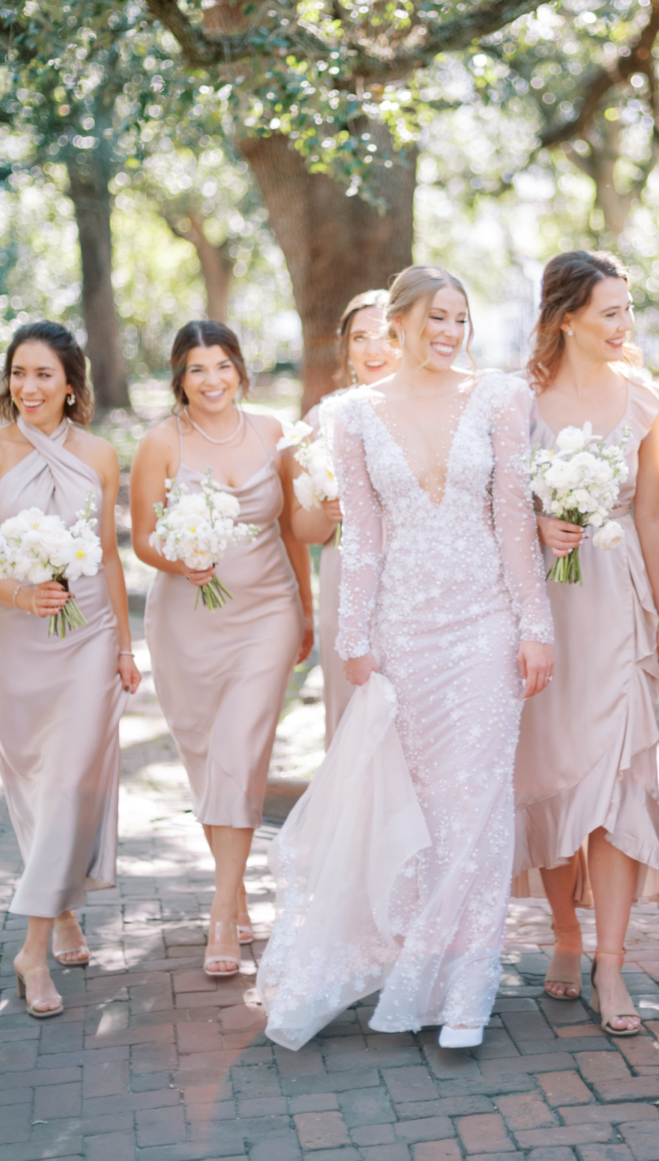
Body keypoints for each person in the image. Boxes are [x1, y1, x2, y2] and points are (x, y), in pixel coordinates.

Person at [257, 265, 554, 1051]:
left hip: (486, 623)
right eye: (436, 318)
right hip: (401, 633)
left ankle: (467, 988)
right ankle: (416, 971)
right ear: (399, 323)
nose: (450, 332)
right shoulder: (351, 415)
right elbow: (363, 538)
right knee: (419, 805)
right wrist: (352, 637)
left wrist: (536, 627)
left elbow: (515, 522)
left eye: (460, 317)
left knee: (479, 804)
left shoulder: (500, 398)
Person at [512, 251, 659, 1036]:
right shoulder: (517, 400)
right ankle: (566, 935)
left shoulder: (646, 399)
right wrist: (534, 522)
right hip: (541, 607)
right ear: (568, 315)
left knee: (614, 783)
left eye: (628, 310)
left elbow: (650, 514)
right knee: (548, 776)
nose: (624, 326)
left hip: (615, 606)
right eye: (611, 311)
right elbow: (492, 502)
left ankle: (613, 963)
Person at [0, 321, 139, 1020]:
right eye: (18, 373)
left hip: (88, 635)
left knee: (69, 780)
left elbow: (110, 555)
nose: (27, 388)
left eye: (43, 375)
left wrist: (125, 645)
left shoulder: (99, 453)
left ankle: (31, 952)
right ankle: (61, 910)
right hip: (14, 638)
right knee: (36, 790)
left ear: (71, 384)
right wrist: (25, 593)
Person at [131, 320, 310, 975]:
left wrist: (307, 608)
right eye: (197, 369)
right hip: (186, 622)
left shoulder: (272, 432)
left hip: (268, 613)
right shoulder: (162, 441)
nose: (212, 380)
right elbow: (144, 535)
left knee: (239, 751)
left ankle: (219, 914)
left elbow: (293, 527)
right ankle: (234, 894)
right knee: (208, 759)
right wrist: (183, 559)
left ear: (240, 369)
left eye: (223, 365)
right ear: (179, 377)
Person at [288, 290, 399, 746]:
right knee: (352, 708)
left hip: (414, 574)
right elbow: (303, 528)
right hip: (344, 573)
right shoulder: (322, 418)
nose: (373, 350)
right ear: (345, 349)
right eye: (360, 338)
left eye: (386, 336)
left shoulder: (434, 410)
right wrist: (327, 510)